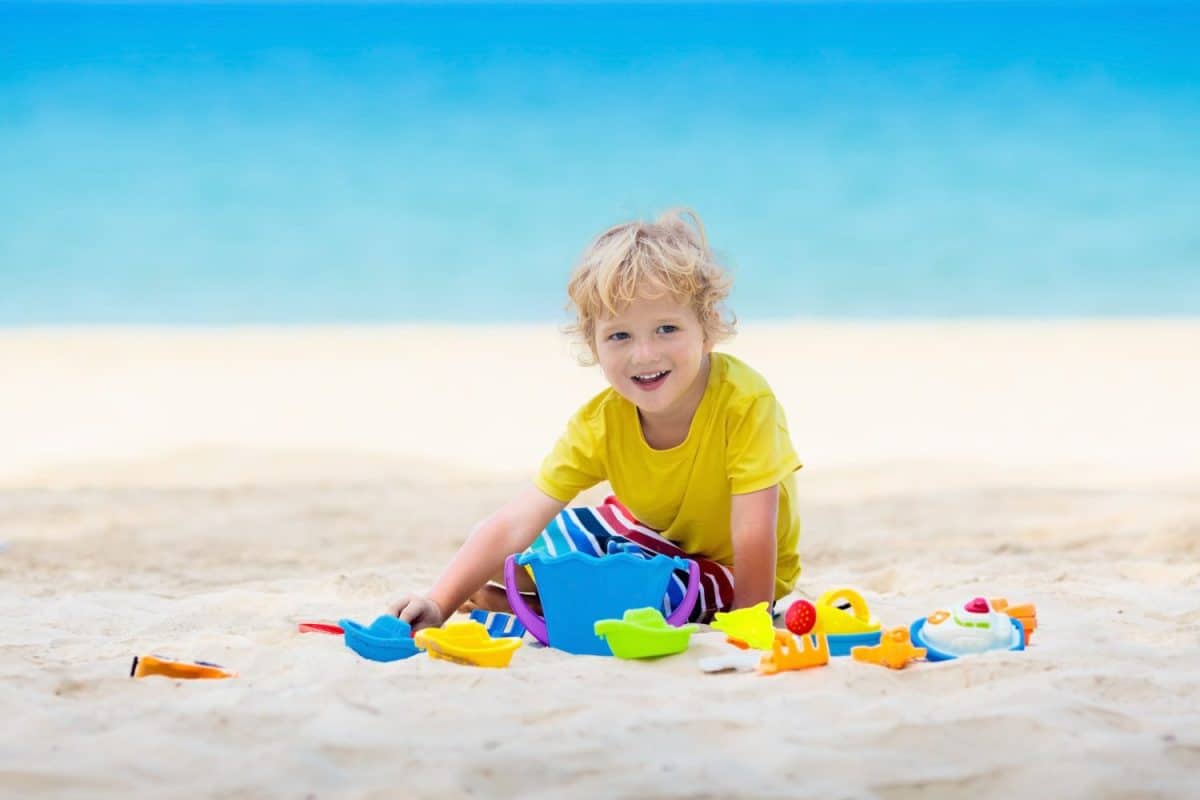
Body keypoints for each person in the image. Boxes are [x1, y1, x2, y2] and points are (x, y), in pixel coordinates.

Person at [388, 209, 802, 631]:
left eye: (666, 328)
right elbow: (516, 520)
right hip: (643, 537)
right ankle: (513, 596)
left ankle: (529, 606)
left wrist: (749, 626)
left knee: (647, 598)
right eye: (620, 336)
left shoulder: (745, 402)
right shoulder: (601, 423)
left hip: (728, 565)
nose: (644, 354)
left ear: (707, 327)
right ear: (594, 344)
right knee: (505, 553)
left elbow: (753, 532)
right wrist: (439, 603)